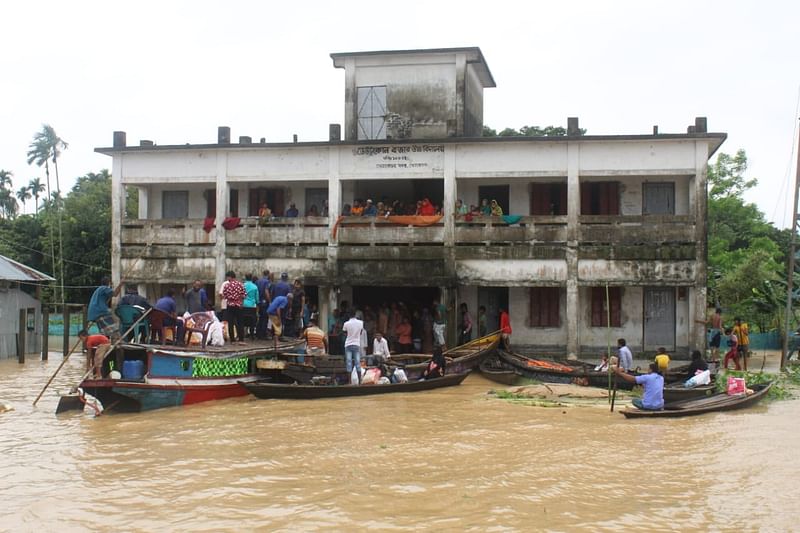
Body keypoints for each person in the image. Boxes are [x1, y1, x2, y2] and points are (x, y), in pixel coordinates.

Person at [88, 276, 122, 342]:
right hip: (100, 311)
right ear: (109, 283)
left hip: (94, 313)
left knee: (104, 331)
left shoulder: (99, 289)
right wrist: (121, 284)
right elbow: (115, 294)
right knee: (113, 329)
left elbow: (109, 296)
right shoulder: (104, 288)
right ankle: (117, 341)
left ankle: (106, 342)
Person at [221, 271, 246, 344]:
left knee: (231, 323)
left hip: (230, 305)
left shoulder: (227, 285)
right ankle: (241, 339)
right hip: (239, 305)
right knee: (240, 322)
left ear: (229, 277)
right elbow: (244, 295)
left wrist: (230, 298)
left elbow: (224, 295)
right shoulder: (241, 284)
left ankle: (232, 340)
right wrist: (240, 302)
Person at [256, 270, 272, 339]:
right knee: (265, 318)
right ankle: (263, 334)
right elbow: (266, 291)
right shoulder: (267, 282)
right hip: (265, 303)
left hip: (258, 302)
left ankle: (258, 333)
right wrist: (270, 301)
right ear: (268, 274)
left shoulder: (257, 281)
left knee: (259, 318)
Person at [242, 274, 259, 339]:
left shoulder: (243, 285)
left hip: (243, 304)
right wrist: (257, 303)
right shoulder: (255, 287)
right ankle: (252, 335)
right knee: (252, 321)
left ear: (245, 278)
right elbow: (257, 298)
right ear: (251, 278)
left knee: (242, 320)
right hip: (252, 306)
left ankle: (242, 334)